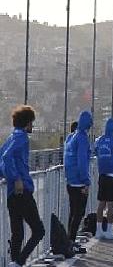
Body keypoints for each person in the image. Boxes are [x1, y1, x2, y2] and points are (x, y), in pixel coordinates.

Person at [0, 106, 45, 267]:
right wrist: (16, 178)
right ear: (27, 123)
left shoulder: (10, 138)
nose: (32, 126)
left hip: (12, 194)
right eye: (31, 123)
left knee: (17, 233)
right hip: (22, 190)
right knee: (39, 231)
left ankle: (14, 262)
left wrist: (8, 177)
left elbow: (1, 160)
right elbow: (6, 157)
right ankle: (19, 262)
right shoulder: (22, 137)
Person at [64, 110, 93, 253]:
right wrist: (86, 181)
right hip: (79, 183)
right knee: (79, 214)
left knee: (72, 213)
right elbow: (82, 162)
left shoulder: (71, 137)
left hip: (71, 181)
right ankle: (71, 244)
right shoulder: (82, 138)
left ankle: (69, 242)